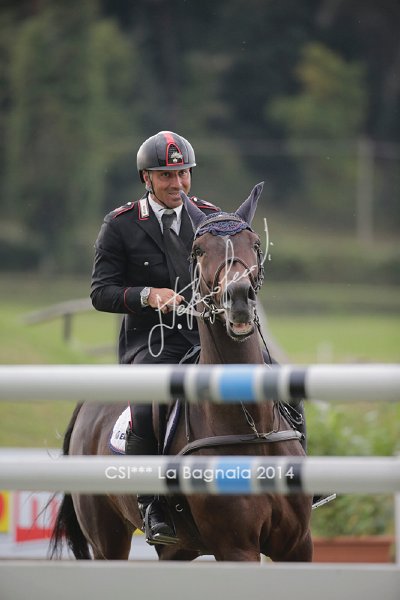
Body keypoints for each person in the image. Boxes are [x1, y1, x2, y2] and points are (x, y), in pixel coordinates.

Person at [90, 131, 220, 545]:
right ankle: (151, 504)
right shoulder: (120, 225)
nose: (177, 184)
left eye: (183, 174)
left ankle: (299, 481)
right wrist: (147, 295)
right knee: (147, 407)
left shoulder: (210, 218)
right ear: (146, 178)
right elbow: (101, 293)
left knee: (275, 378)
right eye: (166, 175)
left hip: (207, 339)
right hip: (150, 344)